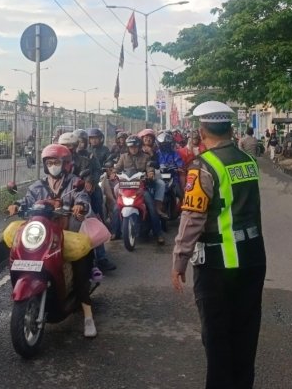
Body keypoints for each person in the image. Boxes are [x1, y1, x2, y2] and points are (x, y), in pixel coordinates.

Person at [171, 101, 266, 389]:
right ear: (229, 128)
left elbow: (192, 218)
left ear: (201, 131)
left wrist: (179, 260)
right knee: (246, 334)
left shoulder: (203, 166)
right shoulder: (247, 161)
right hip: (253, 259)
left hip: (218, 265)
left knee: (217, 339)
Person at [6, 144, 98, 338]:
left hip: (66, 233)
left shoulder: (74, 183)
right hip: (42, 234)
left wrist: (80, 205)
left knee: (79, 270)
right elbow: (26, 201)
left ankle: (88, 316)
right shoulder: (38, 186)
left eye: (56, 162)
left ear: (66, 164)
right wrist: (16, 205)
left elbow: (82, 197)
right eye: (49, 162)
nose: (53, 166)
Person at [59, 132, 115, 272]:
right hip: (60, 200)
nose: (67, 148)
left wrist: (89, 182)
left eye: (70, 145)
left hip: (80, 196)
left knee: (92, 220)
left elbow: (91, 174)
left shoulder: (85, 159)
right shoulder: (54, 162)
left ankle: (101, 258)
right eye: (63, 145)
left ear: (75, 146)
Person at [114, 135, 165, 245]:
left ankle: (158, 233)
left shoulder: (146, 157)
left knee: (151, 208)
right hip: (126, 186)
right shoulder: (123, 157)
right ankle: (115, 232)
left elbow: (149, 168)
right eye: (131, 147)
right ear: (128, 147)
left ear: (139, 147)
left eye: (135, 147)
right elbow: (117, 168)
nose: (133, 149)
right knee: (116, 206)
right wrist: (113, 173)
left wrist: (150, 173)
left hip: (141, 187)